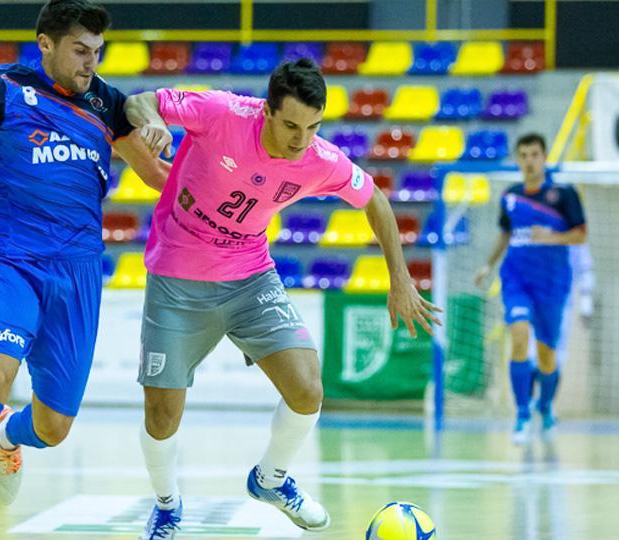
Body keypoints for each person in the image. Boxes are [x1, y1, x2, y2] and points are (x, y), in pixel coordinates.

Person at [124, 58, 442, 538]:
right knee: (161, 414)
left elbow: (374, 198)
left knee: (307, 388)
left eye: (312, 127)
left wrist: (400, 280)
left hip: (250, 274)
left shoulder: (319, 157)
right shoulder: (222, 113)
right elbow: (139, 101)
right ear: (267, 111)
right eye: (291, 125)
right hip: (178, 277)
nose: (300, 140)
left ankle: (270, 479)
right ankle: (167, 505)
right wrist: (151, 125)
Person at [0, 1, 167, 538]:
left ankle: (9, 437)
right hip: (13, 262)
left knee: (55, 426)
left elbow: (158, 176)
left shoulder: (107, 104)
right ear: (45, 43)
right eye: (80, 50)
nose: (91, 62)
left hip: (80, 273)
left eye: (97, 52)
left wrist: (203, 159)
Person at [474, 133, 587, 445]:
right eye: (523, 155)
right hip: (516, 280)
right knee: (519, 336)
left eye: (534, 154)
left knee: (547, 355)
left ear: (544, 156)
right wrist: (488, 264)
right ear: (517, 158)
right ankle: (522, 414)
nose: (529, 160)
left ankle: (546, 407)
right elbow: (505, 235)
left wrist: (550, 237)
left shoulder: (563, 194)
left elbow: (580, 236)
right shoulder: (510, 196)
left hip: (552, 284)